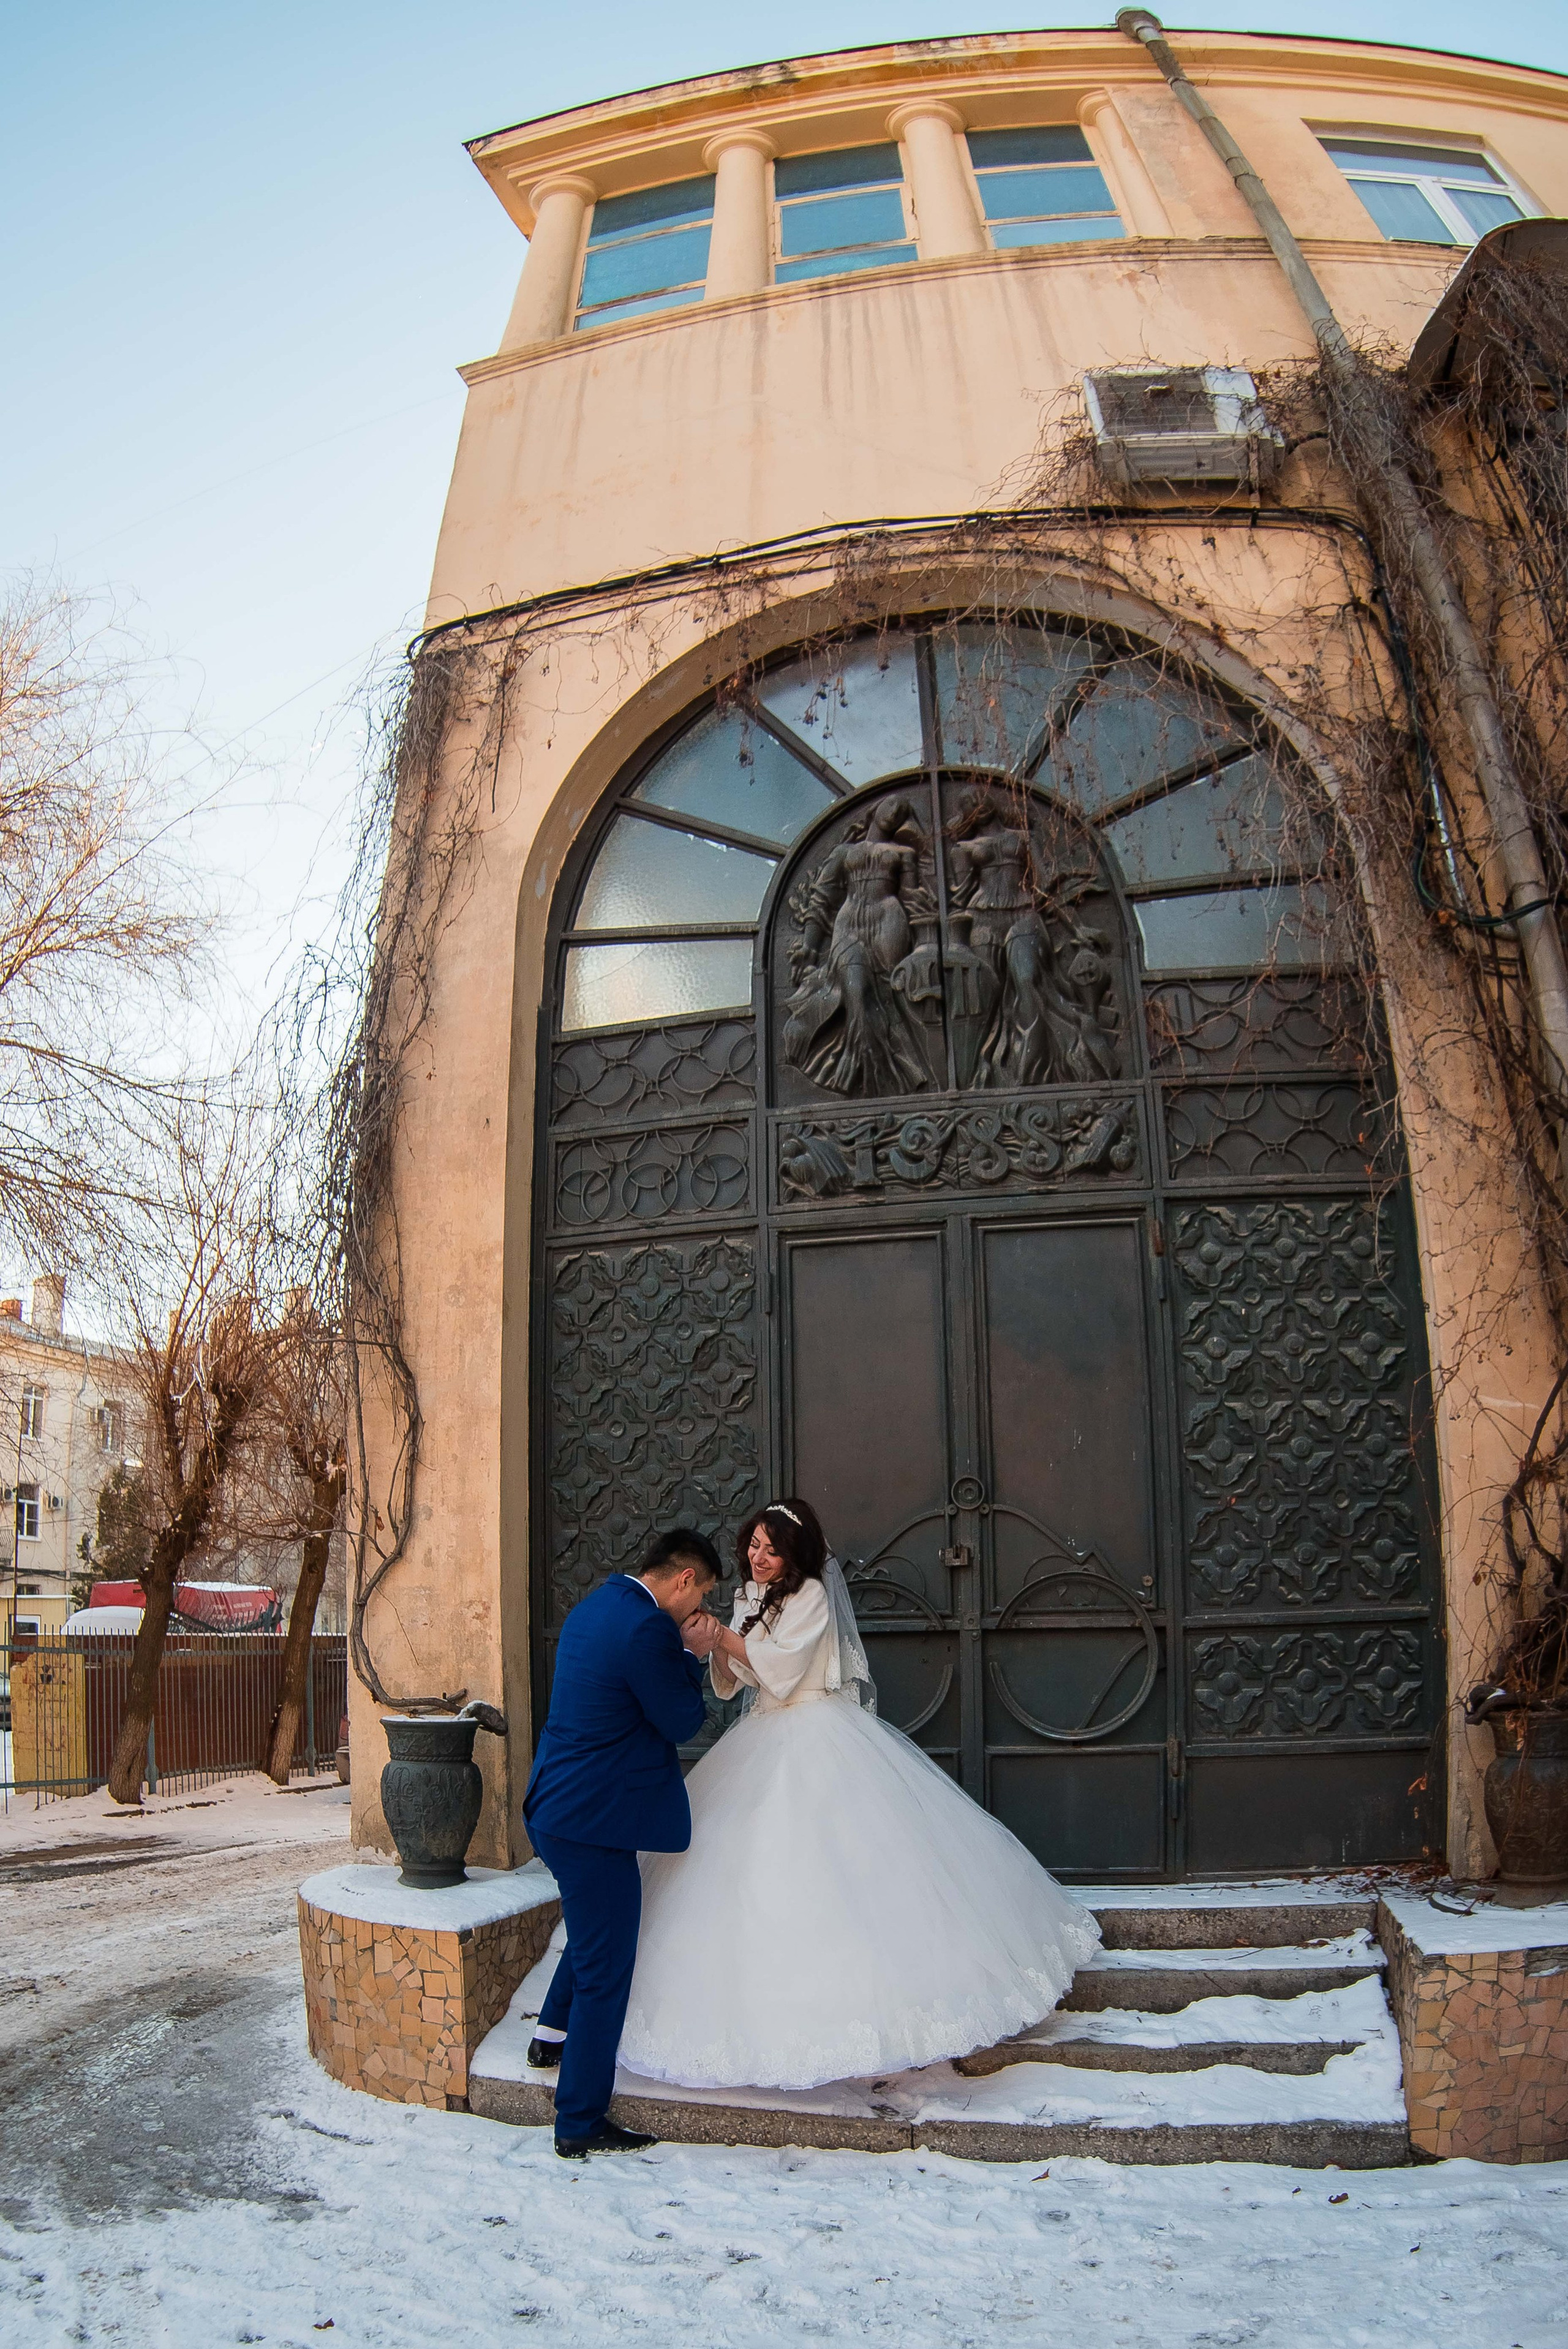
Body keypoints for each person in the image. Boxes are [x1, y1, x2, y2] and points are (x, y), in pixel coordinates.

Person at [617, 1499, 1101, 2091]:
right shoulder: (747, 1596)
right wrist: (714, 1646)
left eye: (772, 1548)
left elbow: (786, 1670)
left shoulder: (811, 1595)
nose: (758, 1557)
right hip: (762, 1732)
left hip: (814, 1728)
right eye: (754, 1544)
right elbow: (742, 1678)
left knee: (847, 1864)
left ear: (794, 1553)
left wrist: (723, 1636)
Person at [522, 1525, 723, 2157]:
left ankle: (550, 2035)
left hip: (558, 1805)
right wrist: (691, 1654)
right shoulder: (648, 1629)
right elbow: (682, 1719)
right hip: (592, 1821)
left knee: (593, 1937)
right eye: (701, 1595)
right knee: (606, 1970)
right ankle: (579, 2120)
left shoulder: (595, 1606)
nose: (698, 1609)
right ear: (685, 1579)